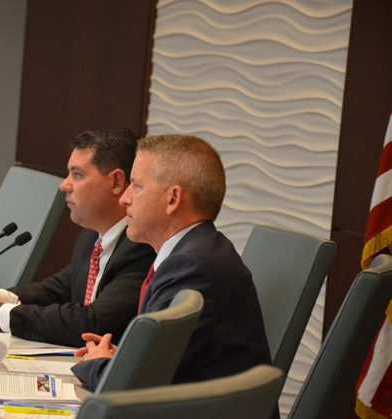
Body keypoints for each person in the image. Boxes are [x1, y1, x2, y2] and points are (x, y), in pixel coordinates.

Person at [71, 134, 273, 397]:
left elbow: (128, 387)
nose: (125, 199)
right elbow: (165, 363)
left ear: (173, 199)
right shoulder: (196, 252)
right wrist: (125, 355)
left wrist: (95, 363)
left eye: (137, 186)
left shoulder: (192, 268)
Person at [0, 129, 155, 347]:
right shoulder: (91, 235)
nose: (64, 185)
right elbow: (55, 290)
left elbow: (93, 322)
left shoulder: (142, 247)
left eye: (77, 174)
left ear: (117, 182)